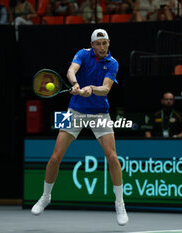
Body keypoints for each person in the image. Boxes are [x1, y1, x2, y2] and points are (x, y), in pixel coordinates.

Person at [31, 29, 129, 226]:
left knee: (112, 157)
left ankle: (120, 203)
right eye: (98, 44)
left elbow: (106, 89)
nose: (102, 47)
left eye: (105, 43)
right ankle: (45, 197)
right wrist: (75, 84)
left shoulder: (113, 63)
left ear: (109, 43)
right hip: (74, 111)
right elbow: (70, 71)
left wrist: (91, 89)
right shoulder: (83, 53)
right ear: (92, 45)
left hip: (100, 113)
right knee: (55, 156)